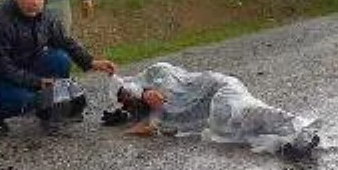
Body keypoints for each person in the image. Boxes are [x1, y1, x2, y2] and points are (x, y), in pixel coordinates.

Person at [0, 0, 116, 134]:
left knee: (61, 59)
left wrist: (91, 62)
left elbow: (65, 41)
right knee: (27, 100)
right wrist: (38, 82)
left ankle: (45, 108)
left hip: (25, 65)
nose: (35, 2)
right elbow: (0, 66)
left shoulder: (46, 17)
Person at [104, 62, 320, 160]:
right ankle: (288, 142)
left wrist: (141, 94)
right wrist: (126, 129)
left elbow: (154, 93)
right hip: (215, 109)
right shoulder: (152, 108)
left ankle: (299, 128)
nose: (128, 104)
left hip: (222, 90)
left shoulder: (157, 74)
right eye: (125, 104)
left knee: (245, 112)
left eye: (126, 99)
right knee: (241, 129)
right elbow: (152, 123)